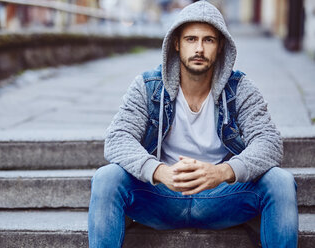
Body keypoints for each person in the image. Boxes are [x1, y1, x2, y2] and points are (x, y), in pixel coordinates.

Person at [88, 1, 298, 247]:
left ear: (220, 47)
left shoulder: (240, 88)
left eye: (208, 40)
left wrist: (222, 172)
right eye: (191, 39)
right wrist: (159, 172)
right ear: (176, 43)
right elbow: (117, 138)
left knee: (280, 182)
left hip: (222, 197)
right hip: (161, 197)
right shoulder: (148, 87)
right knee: (106, 177)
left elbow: (269, 142)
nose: (199, 48)